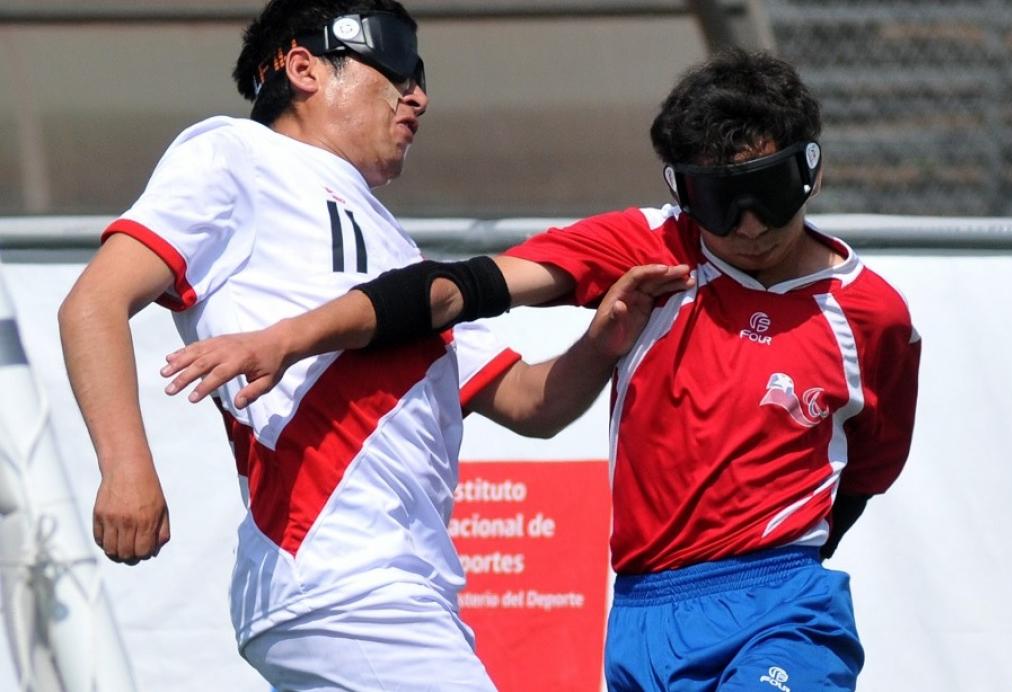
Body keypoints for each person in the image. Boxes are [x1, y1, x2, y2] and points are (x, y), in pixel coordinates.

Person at [163, 49, 921, 691]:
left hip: (782, 601)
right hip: (645, 617)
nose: (749, 224)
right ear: (681, 194)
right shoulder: (647, 245)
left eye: (769, 191)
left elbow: (864, 475)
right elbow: (462, 288)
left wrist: (778, 560)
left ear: (812, 172)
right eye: (720, 201)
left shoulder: (873, 317)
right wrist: (290, 339)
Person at [57, 0, 690, 689]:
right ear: (303, 67)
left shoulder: (401, 255)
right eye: (396, 70)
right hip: (338, 576)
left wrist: (603, 341)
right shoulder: (234, 154)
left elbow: (531, 403)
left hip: (407, 586)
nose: (418, 96)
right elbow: (92, 302)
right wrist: (125, 469)